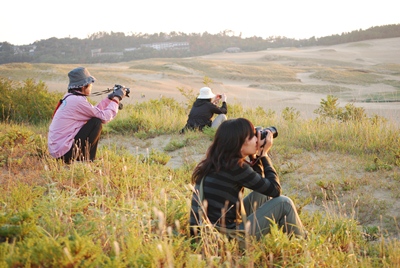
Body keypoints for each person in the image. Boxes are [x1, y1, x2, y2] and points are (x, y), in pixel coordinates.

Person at [189, 118, 306, 241]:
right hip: (225, 240)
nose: (257, 139)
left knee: (261, 194)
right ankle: (302, 246)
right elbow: (275, 190)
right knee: (284, 203)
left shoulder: (218, 161)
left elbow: (261, 185)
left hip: (207, 234)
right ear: (239, 144)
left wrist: (255, 156)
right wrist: (264, 155)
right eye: (253, 136)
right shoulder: (236, 167)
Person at [48, 67, 128, 164]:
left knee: (95, 120)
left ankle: (84, 158)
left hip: (58, 150)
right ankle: (87, 160)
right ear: (83, 86)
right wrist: (117, 98)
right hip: (64, 152)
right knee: (96, 123)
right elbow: (104, 117)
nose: (91, 86)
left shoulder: (70, 97)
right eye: (90, 84)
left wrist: (109, 99)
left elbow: (94, 112)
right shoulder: (77, 101)